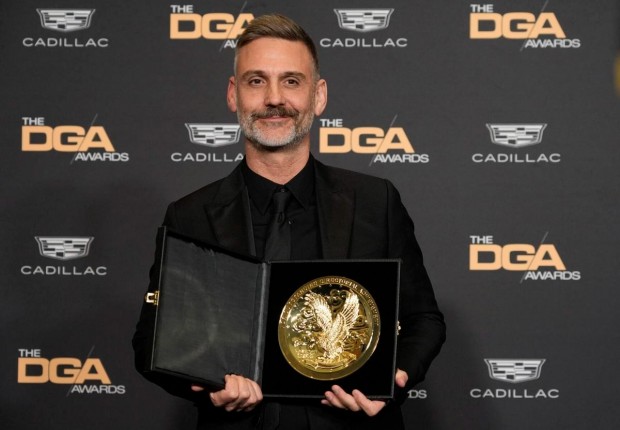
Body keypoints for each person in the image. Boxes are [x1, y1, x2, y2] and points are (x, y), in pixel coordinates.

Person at [133, 13, 445, 430]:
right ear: (234, 95)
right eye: (256, 81)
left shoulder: (375, 201)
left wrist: (393, 379)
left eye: (292, 81)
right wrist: (206, 386)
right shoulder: (190, 214)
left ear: (318, 96)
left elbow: (423, 320)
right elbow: (151, 340)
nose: (274, 98)